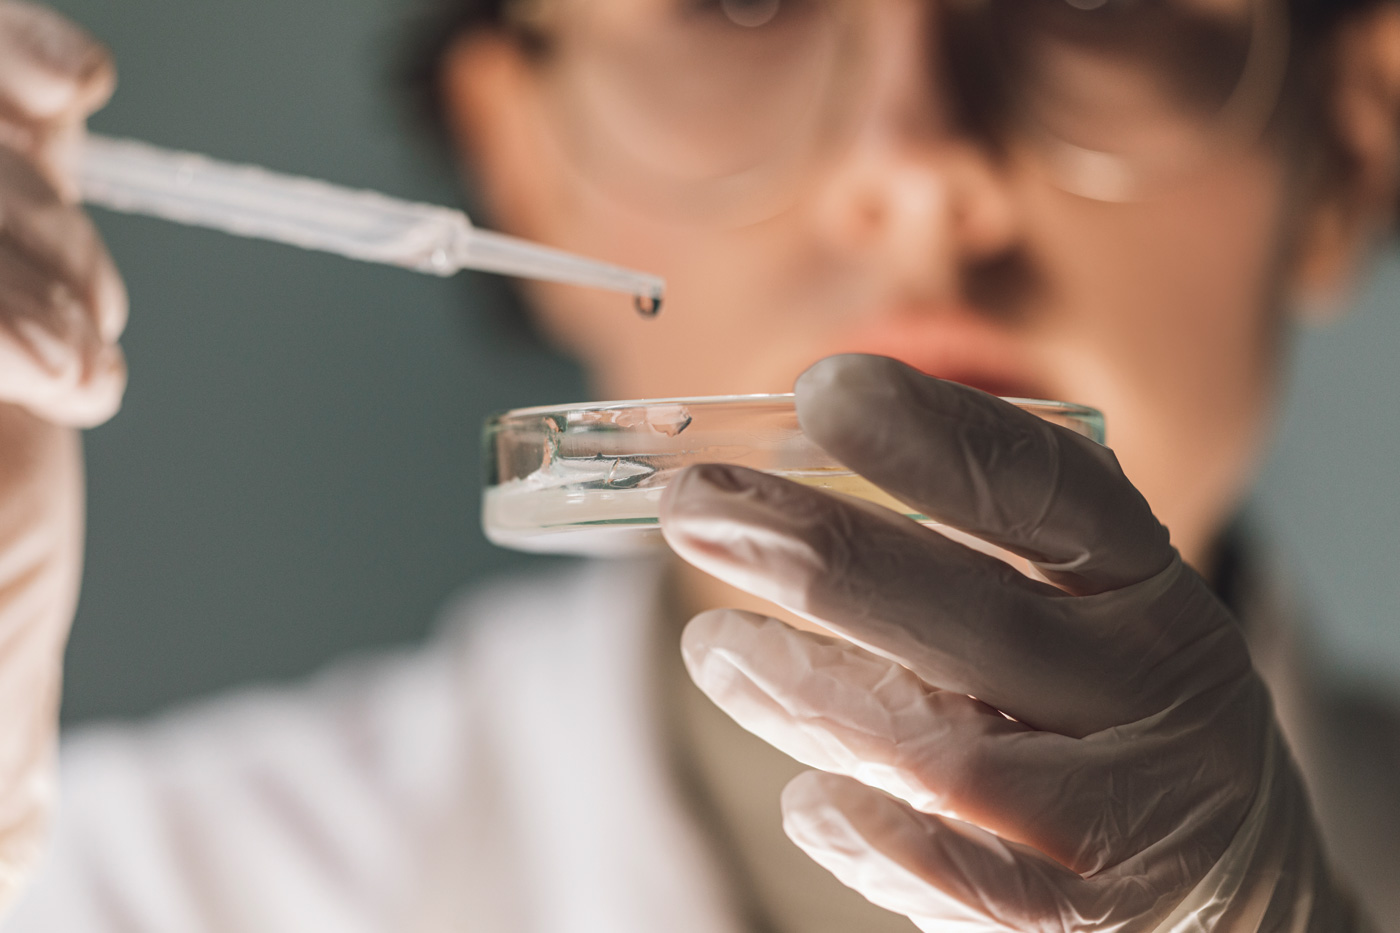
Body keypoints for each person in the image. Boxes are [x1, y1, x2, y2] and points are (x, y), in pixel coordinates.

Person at [0, 0, 1397, 928]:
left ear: (1352, 140)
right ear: (521, 156)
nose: (916, 166)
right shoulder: (132, 887)